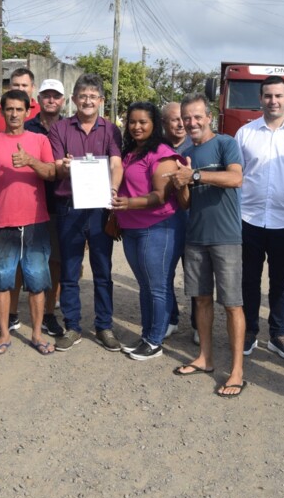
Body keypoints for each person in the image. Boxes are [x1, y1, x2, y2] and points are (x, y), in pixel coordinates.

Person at [167, 94, 246, 396]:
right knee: (200, 300)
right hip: (196, 237)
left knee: (232, 304)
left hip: (226, 237)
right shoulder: (186, 153)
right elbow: (186, 204)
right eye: (187, 118)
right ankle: (205, 358)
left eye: (197, 116)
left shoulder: (227, 143)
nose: (192, 122)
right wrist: (182, 185)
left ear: (209, 116)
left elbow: (236, 178)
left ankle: (237, 370)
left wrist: (196, 174)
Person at [234, 76, 284, 359]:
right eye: (268, 96)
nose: (273, 101)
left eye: (278, 96)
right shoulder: (245, 133)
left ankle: (278, 334)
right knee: (248, 280)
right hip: (249, 219)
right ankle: (249, 332)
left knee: (280, 282)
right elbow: (236, 178)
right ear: (260, 99)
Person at [0, 90, 56, 356]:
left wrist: (30, 161)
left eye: (19, 109)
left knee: (37, 280)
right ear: (2, 111)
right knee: (1, 281)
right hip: (2, 222)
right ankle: (4, 333)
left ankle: (36, 333)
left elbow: (52, 173)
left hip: (36, 221)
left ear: (27, 111)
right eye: (9, 109)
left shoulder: (40, 140)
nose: (13, 114)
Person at [48, 73, 124, 352]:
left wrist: (113, 190)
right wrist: (65, 166)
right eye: (83, 96)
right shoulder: (60, 129)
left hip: (100, 208)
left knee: (102, 270)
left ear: (101, 101)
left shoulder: (111, 130)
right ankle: (72, 327)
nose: (88, 101)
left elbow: (116, 164)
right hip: (69, 206)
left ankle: (104, 326)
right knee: (69, 270)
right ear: (74, 99)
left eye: (93, 96)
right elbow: (57, 165)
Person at [111, 102, 183, 360]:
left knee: (157, 286)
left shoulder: (162, 153)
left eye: (143, 122)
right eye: (132, 122)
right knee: (146, 285)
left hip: (158, 227)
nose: (137, 127)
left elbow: (160, 196)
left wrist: (129, 203)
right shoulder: (132, 152)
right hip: (132, 228)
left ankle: (154, 342)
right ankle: (147, 336)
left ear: (154, 124)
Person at [23, 79, 67, 338]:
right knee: (24, 260)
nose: (51, 100)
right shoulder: (26, 127)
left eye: (56, 96)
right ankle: (15, 314)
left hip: (59, 202)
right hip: (28, 202)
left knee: (55, 262)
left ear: (63, 100)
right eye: (46, 95)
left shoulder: (69, 128)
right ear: (38, 99)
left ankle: (49, 313)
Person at [160, 101, 193, 340]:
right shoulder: (157, 148)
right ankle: (171, 318)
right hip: (166, 222)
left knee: (194, 273)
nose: (181, 123)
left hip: (193, 220)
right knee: (166, 273)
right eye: (174, 119)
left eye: (183, 118)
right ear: (164, 123)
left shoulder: (199, 144)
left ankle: (197, 324)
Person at [0, 68, 41, 135]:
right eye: (16, 85)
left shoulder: (42, 113)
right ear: (10, 86)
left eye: (24, 85)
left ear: (33, 87)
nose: (20, 89)